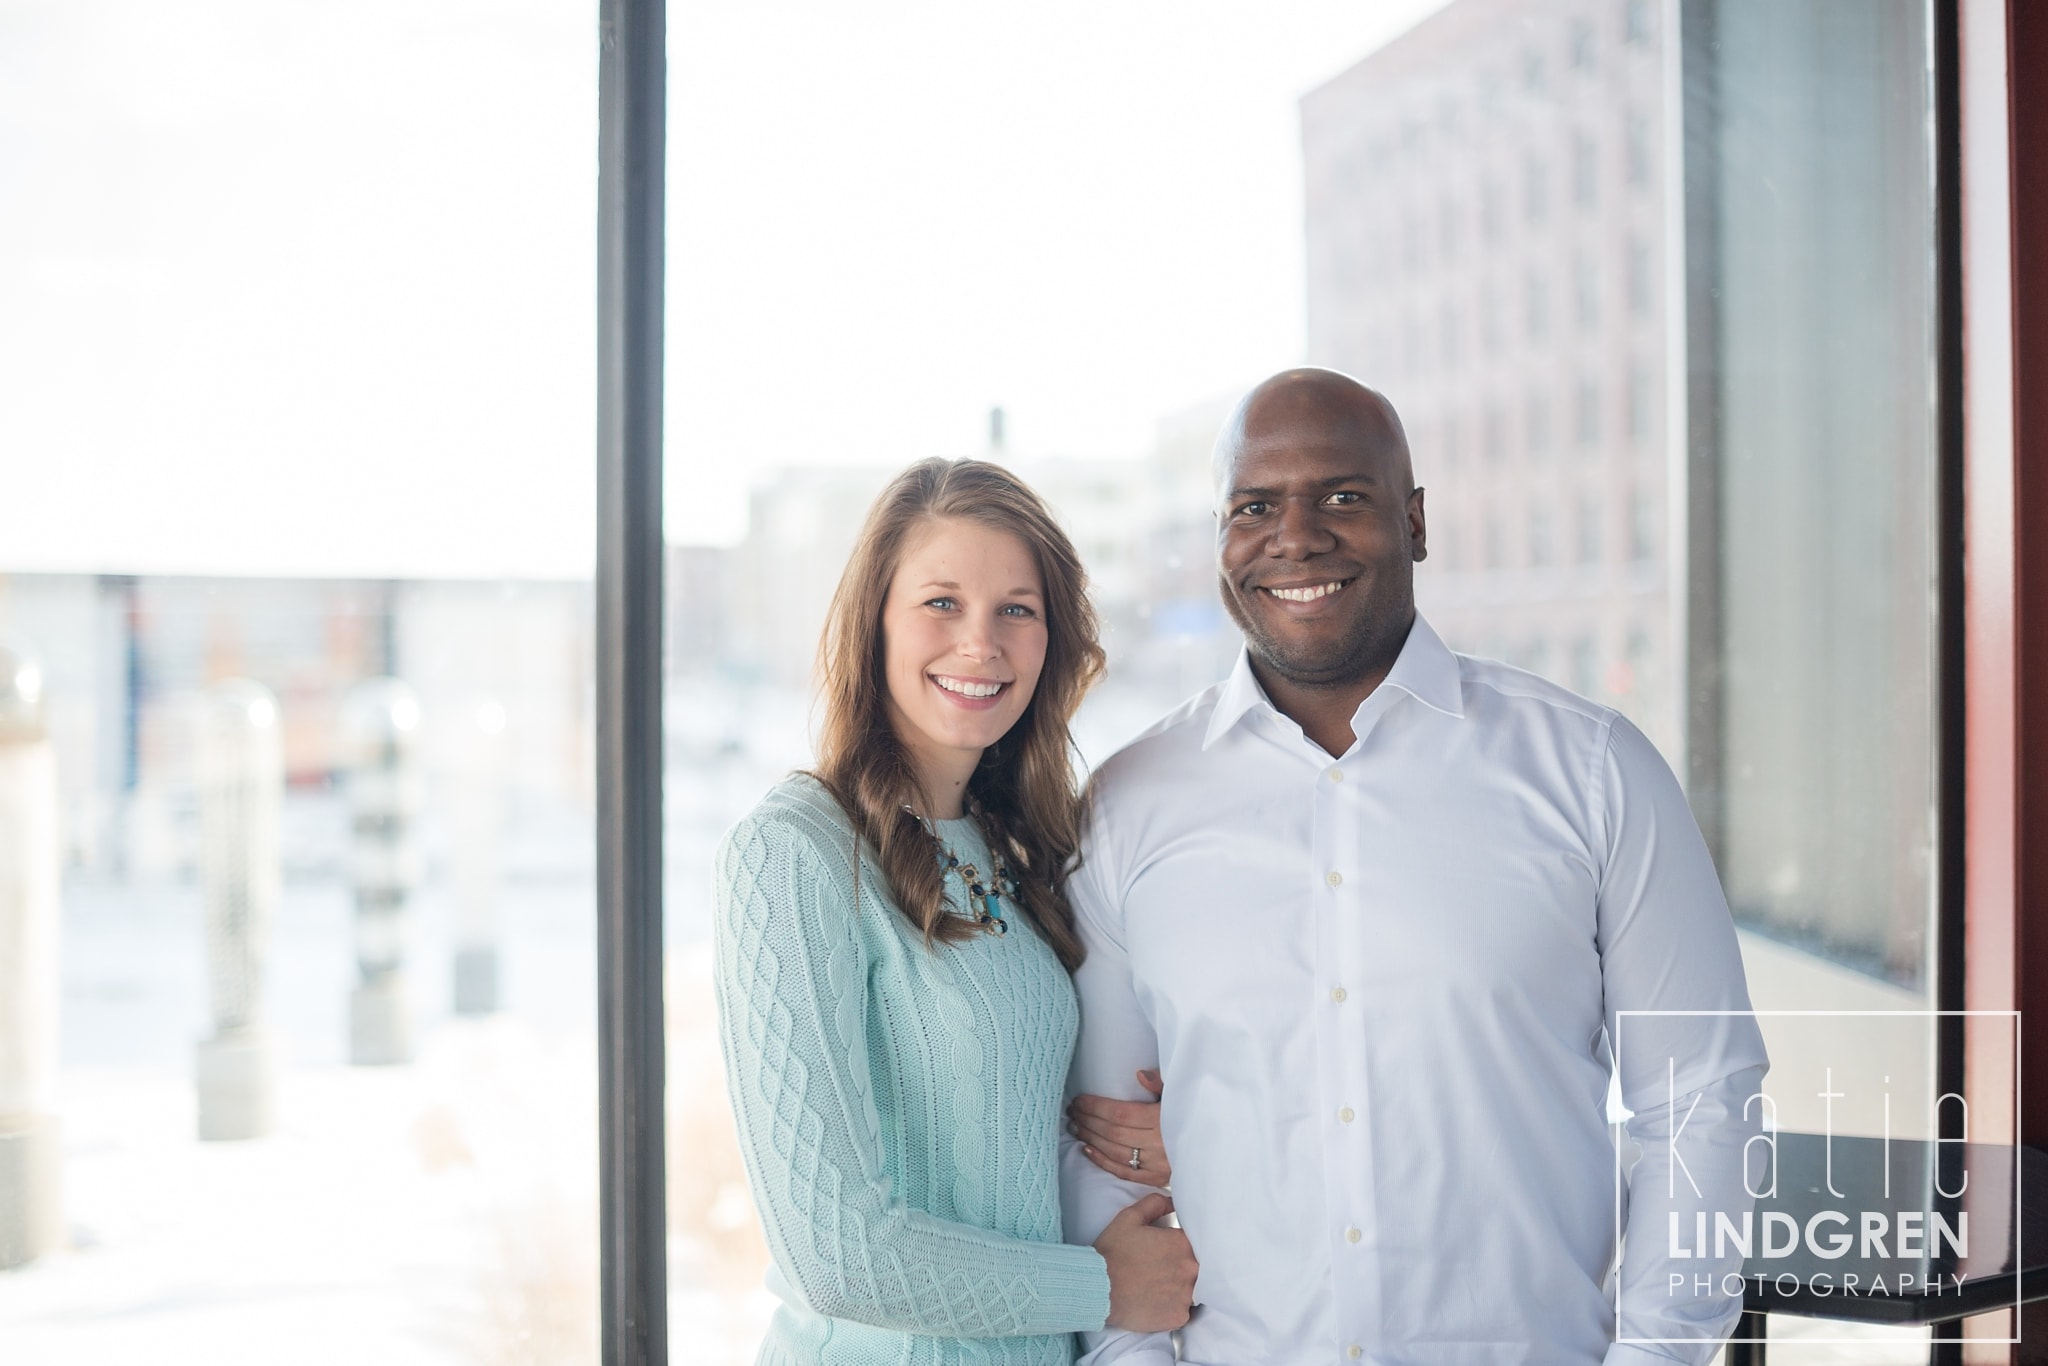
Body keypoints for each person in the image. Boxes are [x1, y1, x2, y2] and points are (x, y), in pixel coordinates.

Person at [1058, 369, 1769, 1365]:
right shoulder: (1127, 809)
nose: (1293, 536)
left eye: (1341, 496)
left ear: (1416, 520)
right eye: (1253, 506)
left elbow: (1700, 1099)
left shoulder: (1595, 773)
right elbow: (1102, 1158)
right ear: (1218, 536)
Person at [714, 458, 1199, 1366]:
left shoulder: (1016, 846)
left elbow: (1008, 1120)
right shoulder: (792, 853)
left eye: (1016, 608)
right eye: (942, 603)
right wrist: (1100, 1286)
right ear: (875, 624)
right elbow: (836, 1256)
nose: (981, 643)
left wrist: (1159, 1138)